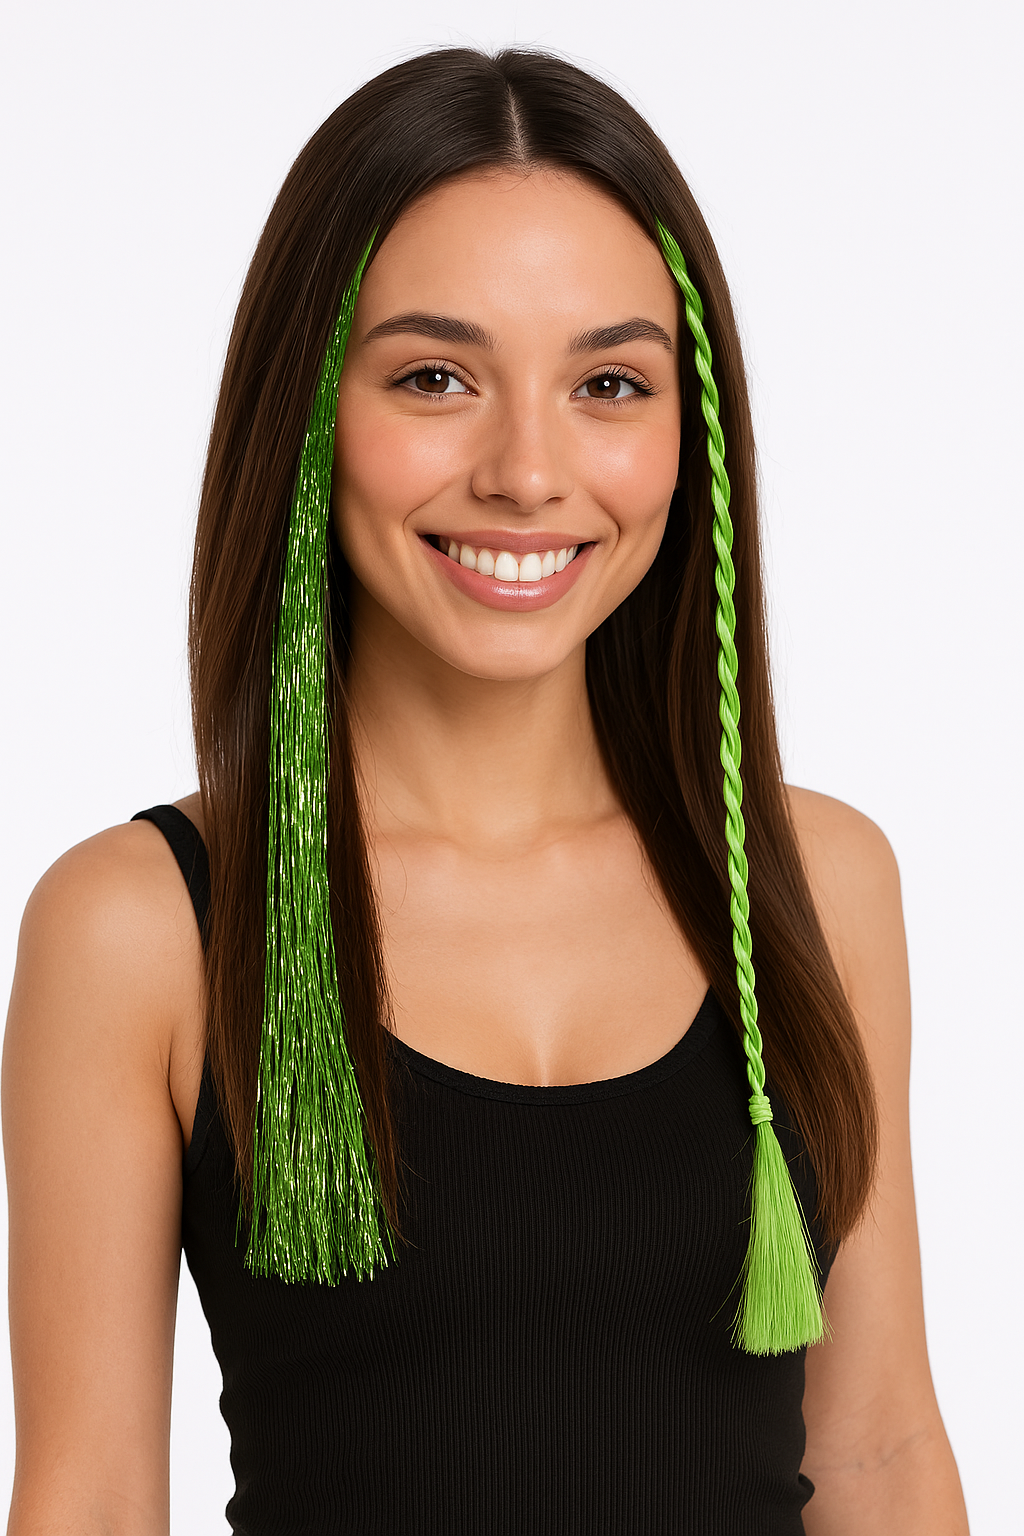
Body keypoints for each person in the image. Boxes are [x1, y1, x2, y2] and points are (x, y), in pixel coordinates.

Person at [2, 45, 968, 1536]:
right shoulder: (143, 928)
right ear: (308, 411)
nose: (528, 471)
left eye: (608, 384)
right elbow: (94, 1497)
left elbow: (883, 1451)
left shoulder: (816, 882)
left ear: (691, 432)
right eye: (436, 378)